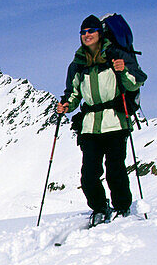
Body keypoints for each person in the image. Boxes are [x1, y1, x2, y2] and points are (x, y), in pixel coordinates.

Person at [56, 15, 146, 226]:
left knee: (115, 170)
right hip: (90, 126)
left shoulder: (115, 56)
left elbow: (134, 84)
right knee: (88, 175)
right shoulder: (77, 64)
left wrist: (123, 70)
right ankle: (99, 207)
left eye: (91, 31)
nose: (87, 35)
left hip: (115, 121)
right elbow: (74, 94)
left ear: (100, 33)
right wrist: (66, 106)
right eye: (83, 32)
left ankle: (122, 207)